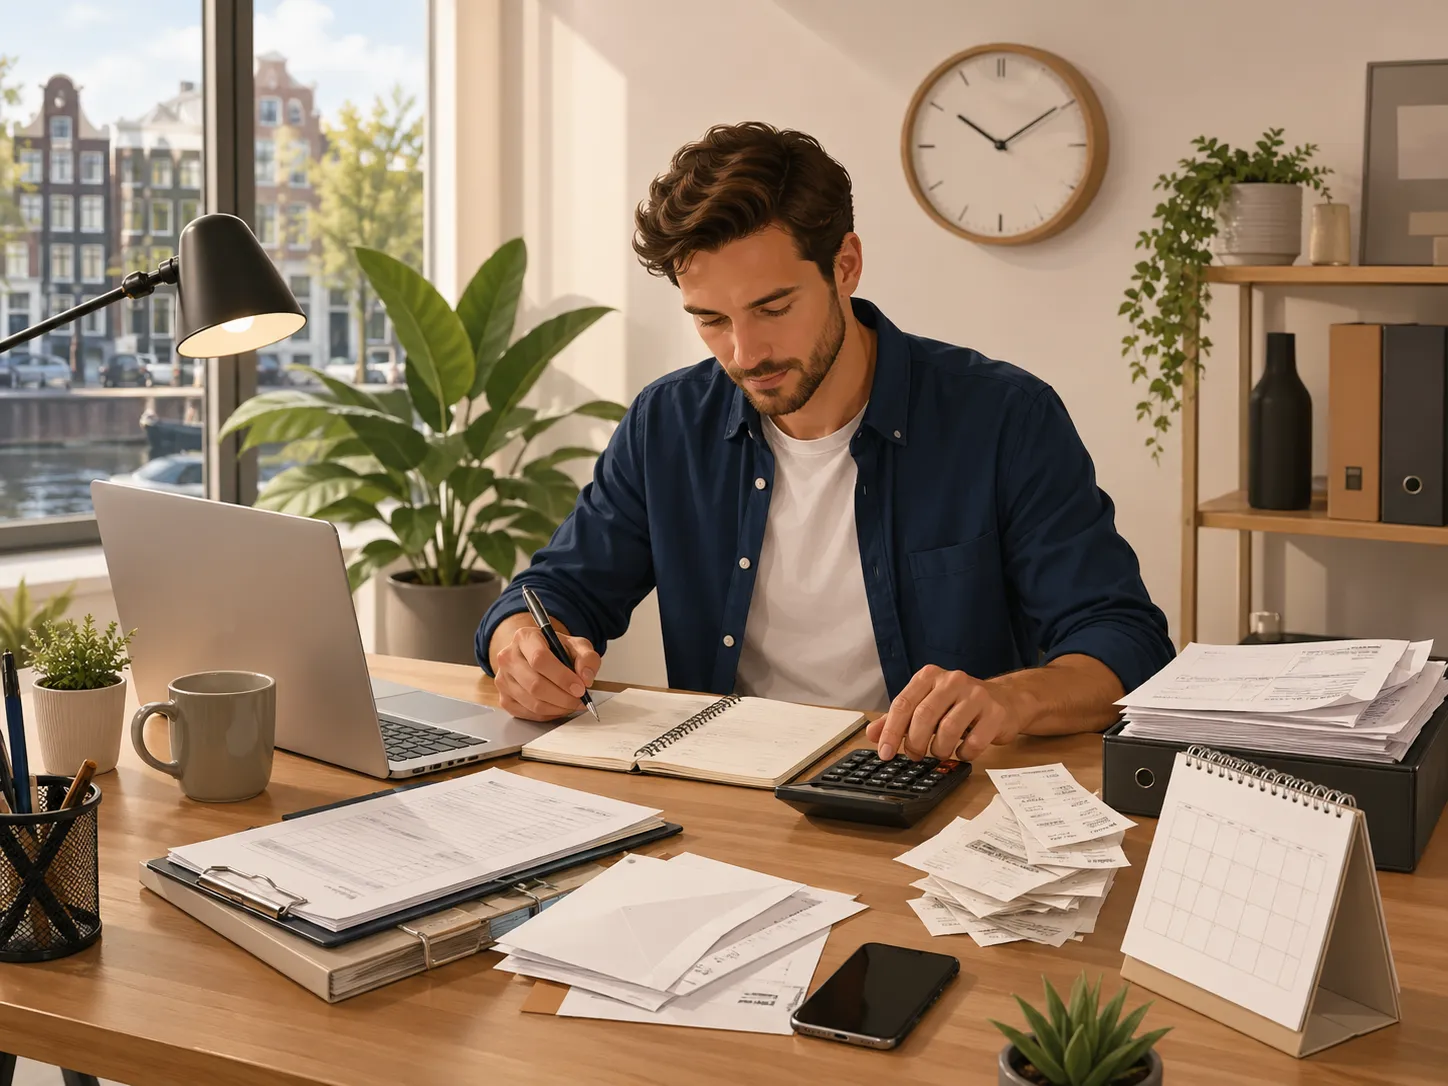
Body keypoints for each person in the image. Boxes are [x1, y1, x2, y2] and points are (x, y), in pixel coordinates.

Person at [478, 121, 1174, 765]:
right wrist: (523, 649)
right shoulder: (668, 423)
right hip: (729, 787)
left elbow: (1124, 641)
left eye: (773, 308)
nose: (745, 352)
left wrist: (1011, 698)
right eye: (711, 319)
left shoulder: (1002, 418)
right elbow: (554, 591)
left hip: (931, 789)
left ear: (845, 265)